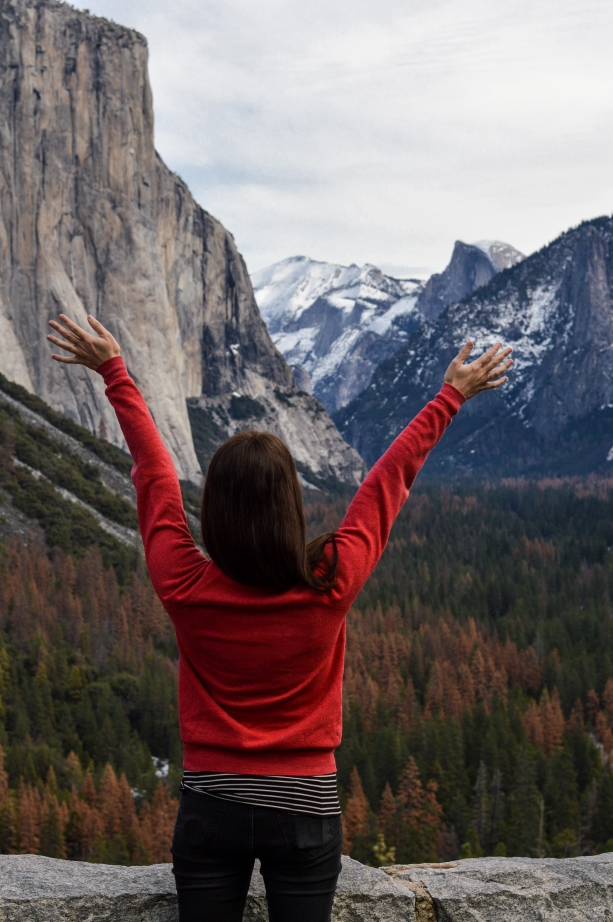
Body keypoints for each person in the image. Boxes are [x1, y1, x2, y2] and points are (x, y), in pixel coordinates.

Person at [47, 313, 512, 922]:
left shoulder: (183, 583)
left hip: (211, 802)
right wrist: (449, 397)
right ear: (291, 507)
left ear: (213, 511)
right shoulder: (330, 581)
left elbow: (155, 478)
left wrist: (115, 374)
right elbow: (385, 484)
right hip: (303, 806)